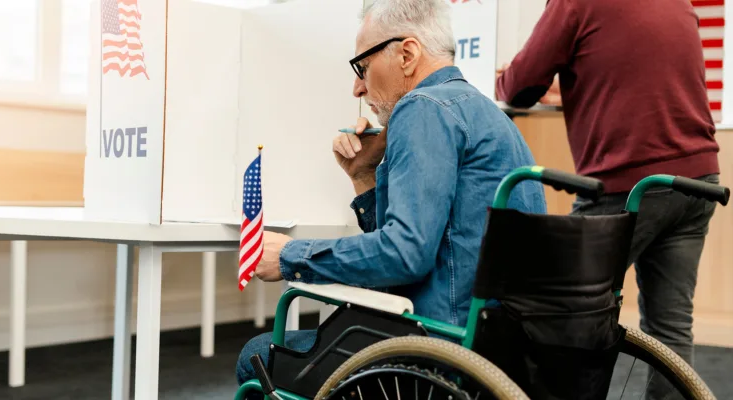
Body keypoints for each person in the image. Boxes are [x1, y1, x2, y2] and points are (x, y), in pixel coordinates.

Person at [235, 0, 547, 392]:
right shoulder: (489, 116)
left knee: (257, 353)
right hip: (501, 354)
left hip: (437, 353)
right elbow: (424, 250)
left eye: (361, 67)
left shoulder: (421, 109)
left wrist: (289, 257)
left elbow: (405, 255)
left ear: (407, 54)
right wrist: (364, 176)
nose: (358, 87)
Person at [495, 0, 721, 397]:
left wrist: (500, 81)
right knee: (671, 328)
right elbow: (641, 79)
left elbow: (519, 86)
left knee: (558, 316)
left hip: (629, 185)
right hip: (698, 179)